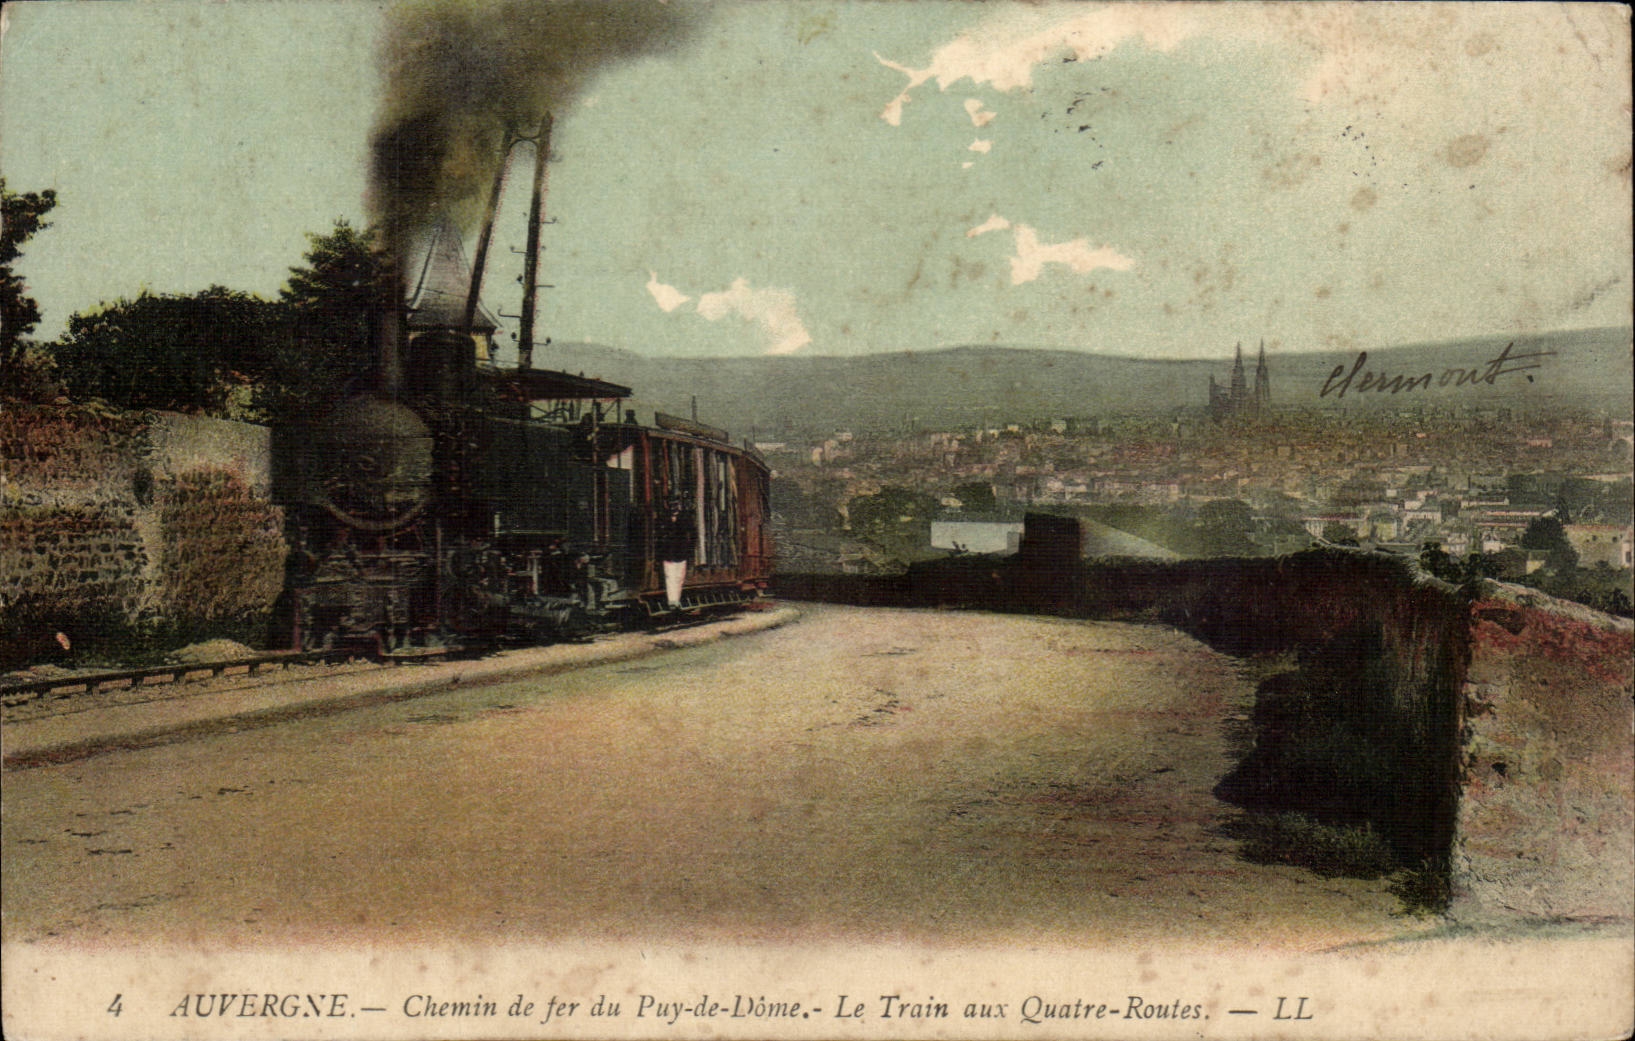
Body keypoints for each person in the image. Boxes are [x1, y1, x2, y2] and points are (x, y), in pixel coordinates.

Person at [656, 496, 696, 611]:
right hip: (668, 551)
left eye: (675, 504)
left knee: (679, 576)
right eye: (671, 504)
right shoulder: (663, 518)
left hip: (681, 551)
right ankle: (672, 600)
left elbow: (692, 534)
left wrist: (690, 549)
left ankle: (676, 599)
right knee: (670, 575)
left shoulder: (685, 517)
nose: (674, 507)